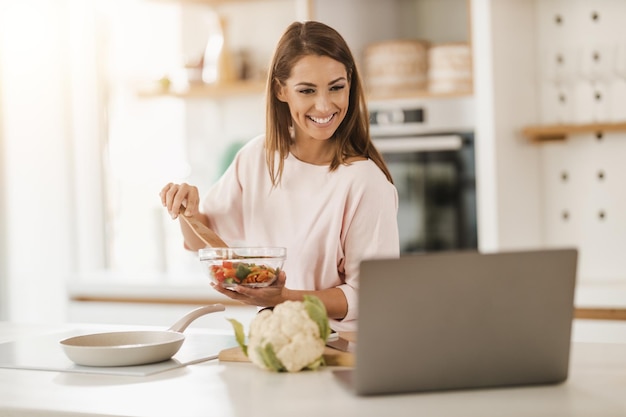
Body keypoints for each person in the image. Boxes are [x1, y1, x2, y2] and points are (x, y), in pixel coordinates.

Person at [159, 20, 399, 332]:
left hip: (341, 356)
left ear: (350, 85)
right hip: (273, 344)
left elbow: (371, 296)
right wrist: (186, 209)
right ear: (281, 90)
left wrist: (283, 297)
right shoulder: (257, 158)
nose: (324, 105)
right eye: (307, 90)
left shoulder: (366, 183)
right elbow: (205, 245)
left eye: (336, 87)